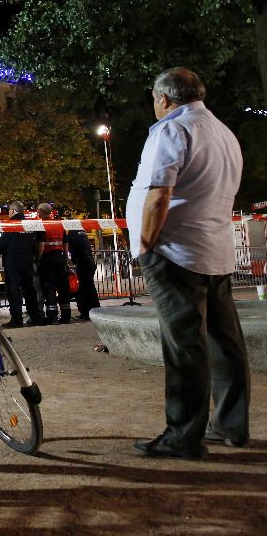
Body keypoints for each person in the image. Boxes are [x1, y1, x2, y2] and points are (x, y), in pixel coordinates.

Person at [127, 67, 249, 459]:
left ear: (164, 98)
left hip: (175, 253)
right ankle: (231, 425)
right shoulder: (224, 133)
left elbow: (159, 195)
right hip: (214, 251)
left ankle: (184, 435)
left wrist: (146, 244)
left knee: (184, 346)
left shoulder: (171, 131)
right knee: (225, 342)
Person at [0, 201, 44, 327]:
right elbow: (35, 244)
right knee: (30, 291)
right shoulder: (29, 226)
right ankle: (35, 317)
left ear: (13, 211)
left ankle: (16, 319)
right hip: (27, 263)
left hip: (13, 264)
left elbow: (0, 245)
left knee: (14, 291)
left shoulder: (10, 225)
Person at [35, 202, 72, 324]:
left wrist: (38, 260)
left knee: (50, 287)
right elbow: (65, 245)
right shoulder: (59, 224)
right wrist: (66, 260)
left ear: (43, 212)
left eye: (39, 211)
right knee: (63, 287)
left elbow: (41, 245)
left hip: (48, 259)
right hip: (60, 258)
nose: (37, 213)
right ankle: (66, 315)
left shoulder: (42, 225)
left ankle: (52, 316)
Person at [65, 228, 99, 321]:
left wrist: (69, 262)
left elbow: (67, 247)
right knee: (90, 288)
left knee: (82, 289)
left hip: (82, 263)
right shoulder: (82, 232)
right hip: (89, 262)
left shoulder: (71, 234)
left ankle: (86, 312)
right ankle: (95, 310)